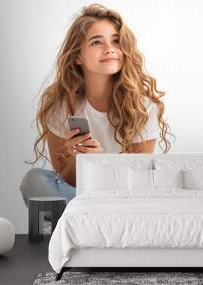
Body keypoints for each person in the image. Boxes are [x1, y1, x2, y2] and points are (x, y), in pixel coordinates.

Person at [20, 3, 174, 219]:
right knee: (35, 180)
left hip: (123, 197)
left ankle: (88, 222)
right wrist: (78, 159)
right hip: (81, 198)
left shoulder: (143, 106)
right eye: (96, 42)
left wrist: (100, 161)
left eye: (116, 41)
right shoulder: (60, 105)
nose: (109, 48)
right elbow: (65, 182)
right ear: (78, 56)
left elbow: (138, 181)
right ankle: (93, 222)